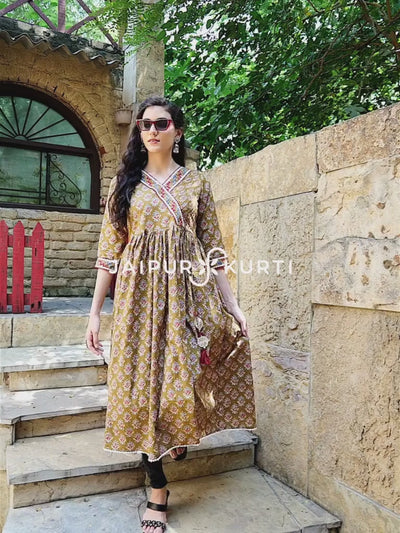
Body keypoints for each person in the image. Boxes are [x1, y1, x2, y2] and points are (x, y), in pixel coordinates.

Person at [85, 95, 256, 533]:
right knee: (141, 388)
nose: (152, 131)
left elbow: (213, 248)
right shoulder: (124, 184)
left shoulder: (196, 183)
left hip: (188, 296)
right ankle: (158, 490)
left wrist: (232, 304)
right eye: (145, 124)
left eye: (161, 124)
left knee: (187, 378)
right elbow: (109, 252)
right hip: (138, 301)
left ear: (177, 131)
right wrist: (95, 314)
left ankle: (177, 432)